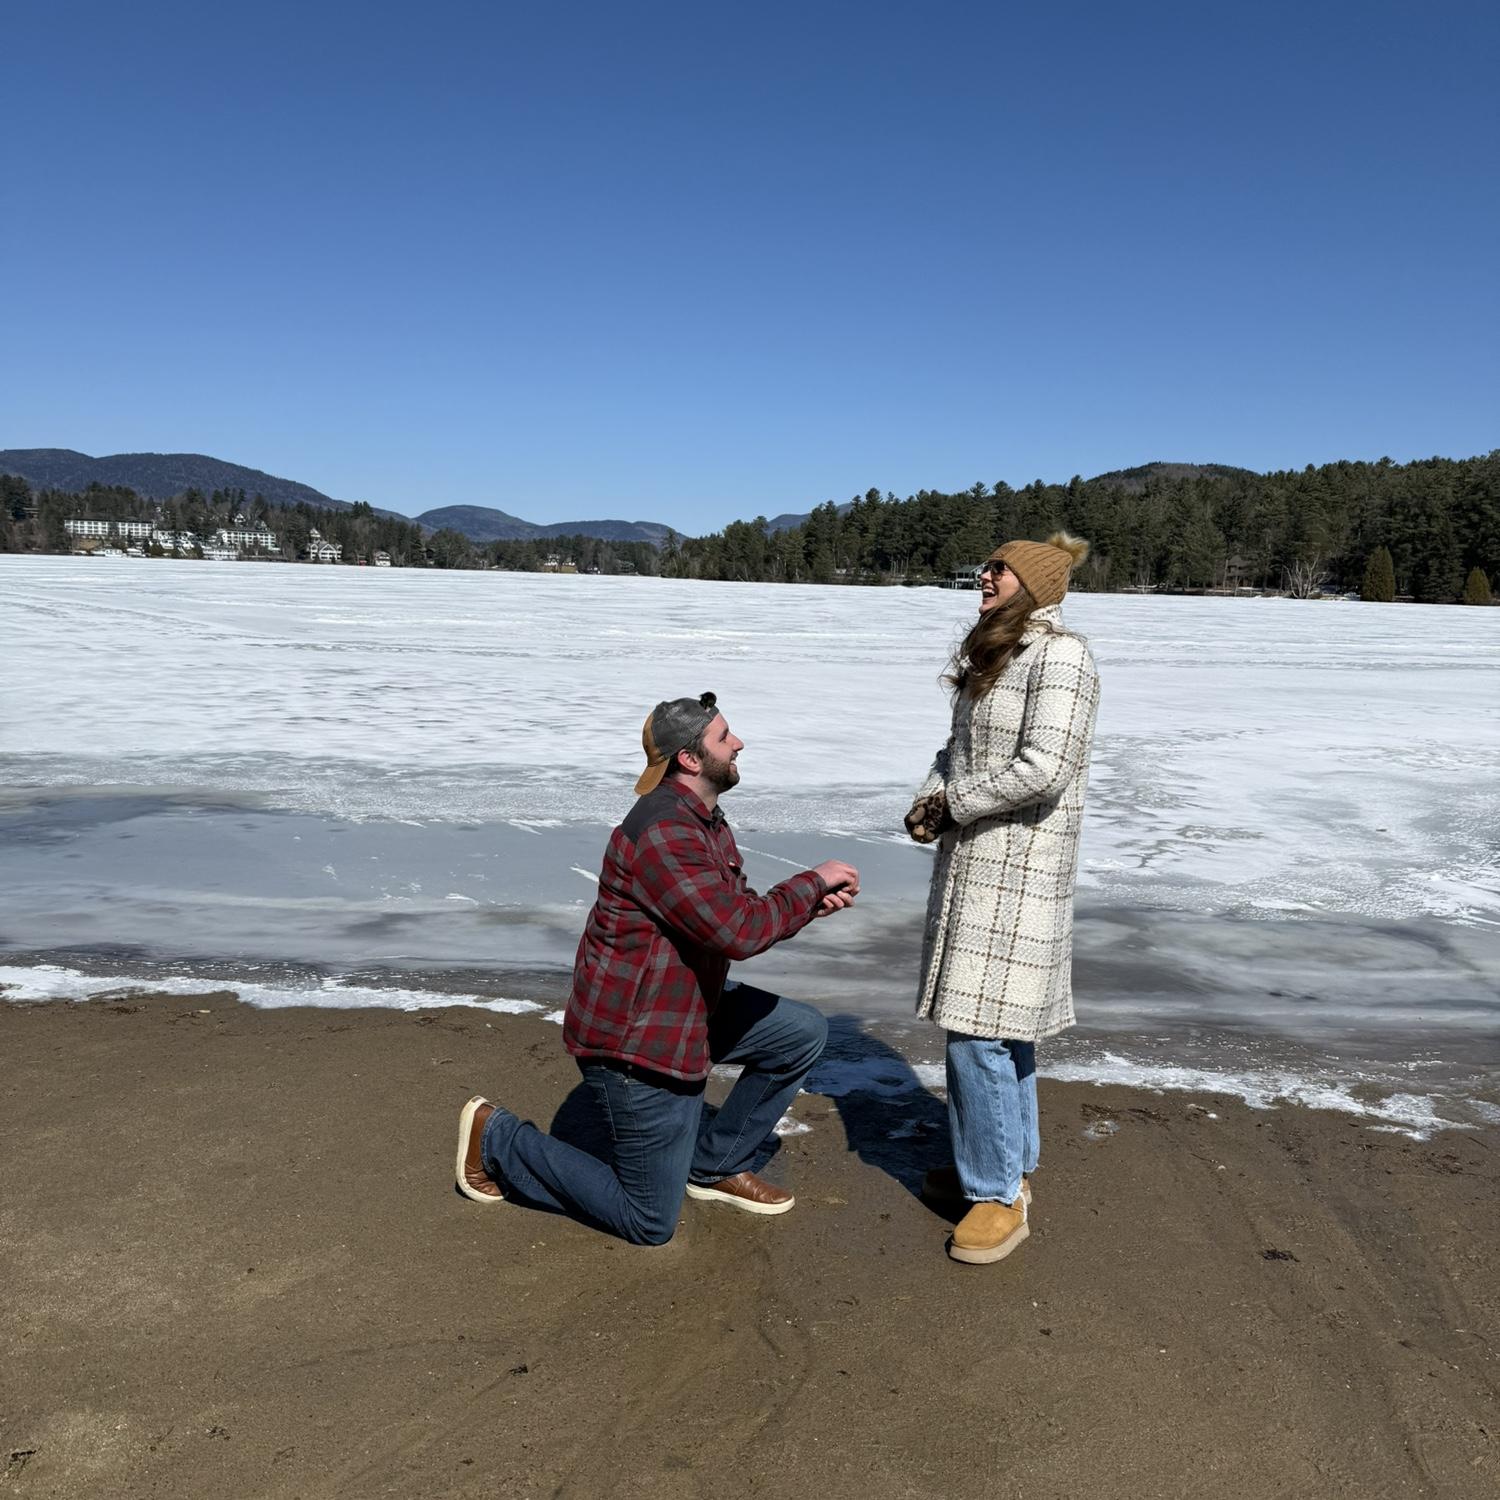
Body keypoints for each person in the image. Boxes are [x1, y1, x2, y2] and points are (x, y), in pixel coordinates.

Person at [455, 691, 859, 1245]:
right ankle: (498, 1138)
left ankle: (714, 1165)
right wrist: (810, 882)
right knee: (649, 1223)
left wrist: (807, 906)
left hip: (685, 1006)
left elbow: (736, 912)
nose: (739, 743)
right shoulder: (665, 831)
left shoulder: (705, 818)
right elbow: (737, 931)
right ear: (690, 759)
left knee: (801, 1033)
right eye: (724, 737)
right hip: (636, 1038)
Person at [905, 533, 1100, 1265]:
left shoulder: (1062, 656)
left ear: (1037, 584)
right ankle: (1001, 1172)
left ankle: (996, 1194)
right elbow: (955, 751)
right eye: (985, 565)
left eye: (1000, 568)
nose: (984, 575)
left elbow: (1044, 768)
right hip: (975, 861)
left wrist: (954, 805)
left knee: (978, 1032)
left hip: (1019, 868)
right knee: (998, 1029)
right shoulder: (994, 652)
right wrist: (931, 796)